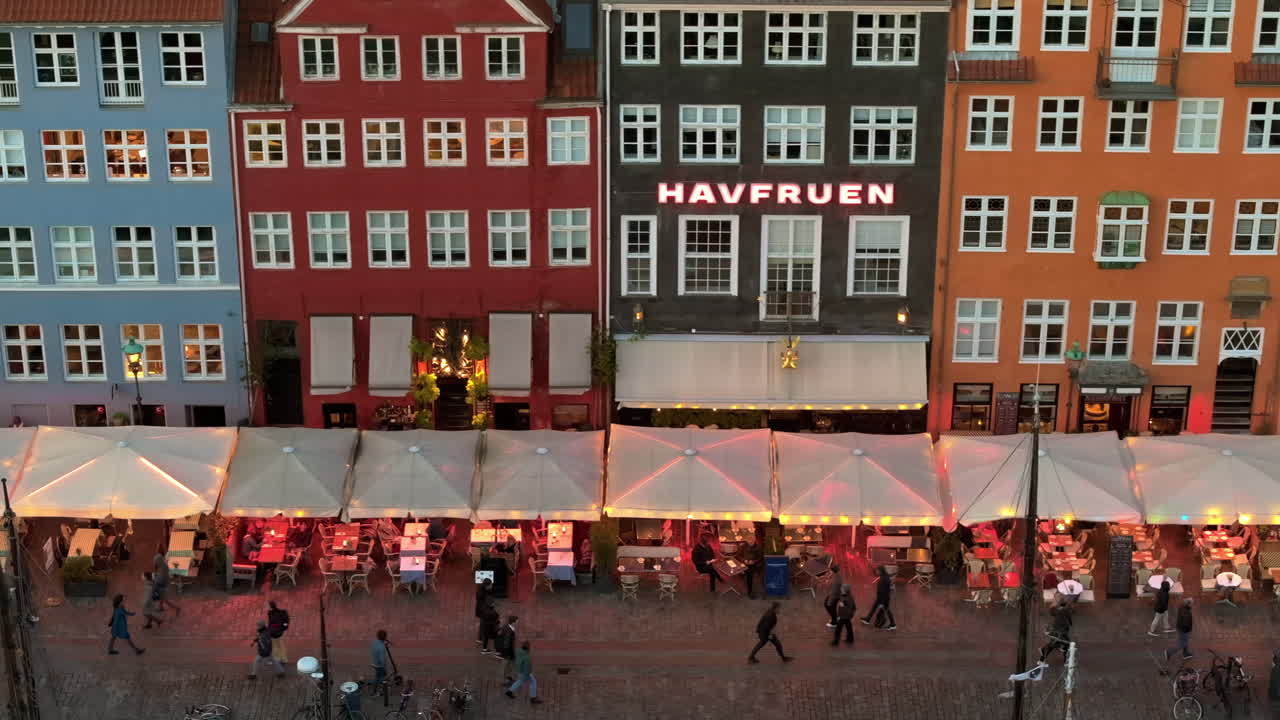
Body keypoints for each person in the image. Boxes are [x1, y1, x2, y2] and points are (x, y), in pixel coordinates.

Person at [505, 640, 543, 704]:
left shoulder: (517, 651)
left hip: (519, 670)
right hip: (524, 673)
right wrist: (526, 675)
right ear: (528, 648)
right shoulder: (527, 657)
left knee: (519, 681)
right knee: (533, 682)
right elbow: (527, 669)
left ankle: (509, 691)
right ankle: (533, 698)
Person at [860, 566, 897, 631]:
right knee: (875, 607)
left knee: (887, 610)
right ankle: (868, 619)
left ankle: (893, 624)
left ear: (880, 571)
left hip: (883, 598)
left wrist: (882, 603)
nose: (876, 572)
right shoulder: (885, 577)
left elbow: (883, 591)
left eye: (877, 571)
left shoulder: (883, 579)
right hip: (882, 598)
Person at [152, 547, 180, 615]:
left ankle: (176, 608)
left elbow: (155, 569)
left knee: (162, 597)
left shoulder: (156, 557)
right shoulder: (164, 558)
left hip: (160, 579)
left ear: (157, 550)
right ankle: (161, 607)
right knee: (162, 594)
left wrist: (154, 577)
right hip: (166, 579)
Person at [1165, 598, 1194, 662]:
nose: (1192, 605)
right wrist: (1188, 630)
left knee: (1185, 641)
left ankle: (1186, 653)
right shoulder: (1186, 612)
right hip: (1184, 630)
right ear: (1188, 604)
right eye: (1192, 603)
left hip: (1180, 628)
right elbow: (1185, 623)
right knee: (1183, 643)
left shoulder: (1182, 607)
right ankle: (1169, 652)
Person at [267, 600, 291, 664]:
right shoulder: (281, 612)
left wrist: (269, 630)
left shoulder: (271, 613)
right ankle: (283, 659)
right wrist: (283, 629)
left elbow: (270, 623)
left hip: (274, 632)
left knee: (275, 647)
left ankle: (277, 659)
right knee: (280, 646)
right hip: (279, 632)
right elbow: (285, 623)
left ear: (270, 606)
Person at [497, 615, 519, 682]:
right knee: (505, 666)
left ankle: (509, 678)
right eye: (517, 621)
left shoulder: (507, 627)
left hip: (508, 651)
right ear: (513, 622)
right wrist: (508, 653)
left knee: (510, 665)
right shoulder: (509, 631)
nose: (518, 622)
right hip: (508, 652)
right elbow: (507, 643)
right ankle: (503, 680)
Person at [474, 579, 493, 645]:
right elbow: (483, 603)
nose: (491, 586)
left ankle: (486, 635)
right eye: (490, 585)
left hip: (486, 610)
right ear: (486, 586)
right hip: (483, 611)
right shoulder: (481, 593)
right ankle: (480, 638)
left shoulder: (485, 590)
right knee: (483, 624)